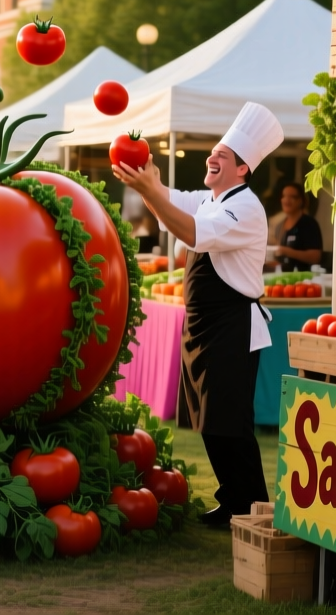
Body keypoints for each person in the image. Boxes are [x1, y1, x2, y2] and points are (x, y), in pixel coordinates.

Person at [114, 102, 283, 529]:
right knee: (210, 423)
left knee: (231, 423)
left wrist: (150, 192)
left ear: (243, 170)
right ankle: (232, 501)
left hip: (232, 327)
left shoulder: (245, 208)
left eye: (222, 156)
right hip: (205, 326)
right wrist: (148, 184)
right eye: (215, 151)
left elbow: (190, 232)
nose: (212, 157)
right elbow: (172, 205)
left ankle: (252, 507)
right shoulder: (210, 198)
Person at [267, 181, 322, 272]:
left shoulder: (309, 224)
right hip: (282, 277)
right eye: (284, 196)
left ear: (300, 200)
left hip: (305, 278)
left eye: (292, 197)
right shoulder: (279, 225)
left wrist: (287, 251)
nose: (286, 200)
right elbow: (279, 258)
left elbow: (315, 257)